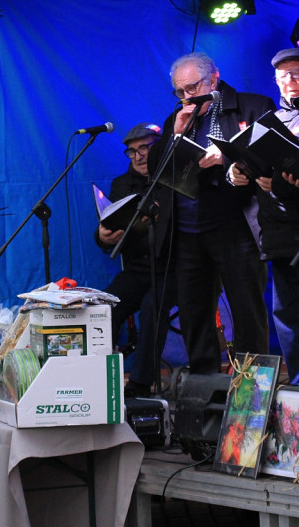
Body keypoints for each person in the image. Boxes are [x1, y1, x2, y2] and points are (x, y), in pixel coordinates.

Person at [149, 52, 275, 375]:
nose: (188, 97)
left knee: (246, 310)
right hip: (188, 232)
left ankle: (251, 391)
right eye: (180, 92)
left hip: (235, 227)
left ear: (214, 79)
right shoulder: (178, 116)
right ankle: (204, 391)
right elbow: (156, 171)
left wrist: (228, 158)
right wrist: (175, 136)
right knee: (193, 313)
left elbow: (271, 159)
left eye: (193, 88)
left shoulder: (252, 106)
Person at [229, 47, 299, 384]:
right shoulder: (268, 120)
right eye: (282, 76)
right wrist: (235, 171)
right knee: (288, 319)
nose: (289, 81)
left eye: (297, 73)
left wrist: (277, 182)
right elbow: (251, 162)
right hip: (277, 236)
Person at [95, 122, 180, 397]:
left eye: (145, 148)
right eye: (132, 151)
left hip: (174, 267)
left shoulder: (176, 177)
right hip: (139, 267)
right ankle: (98, 378)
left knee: (152, 308)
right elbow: (111, 223)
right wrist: (103, 235)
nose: (139, 156)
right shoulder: (122, 184)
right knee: (105, 307)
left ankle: (142, 385)